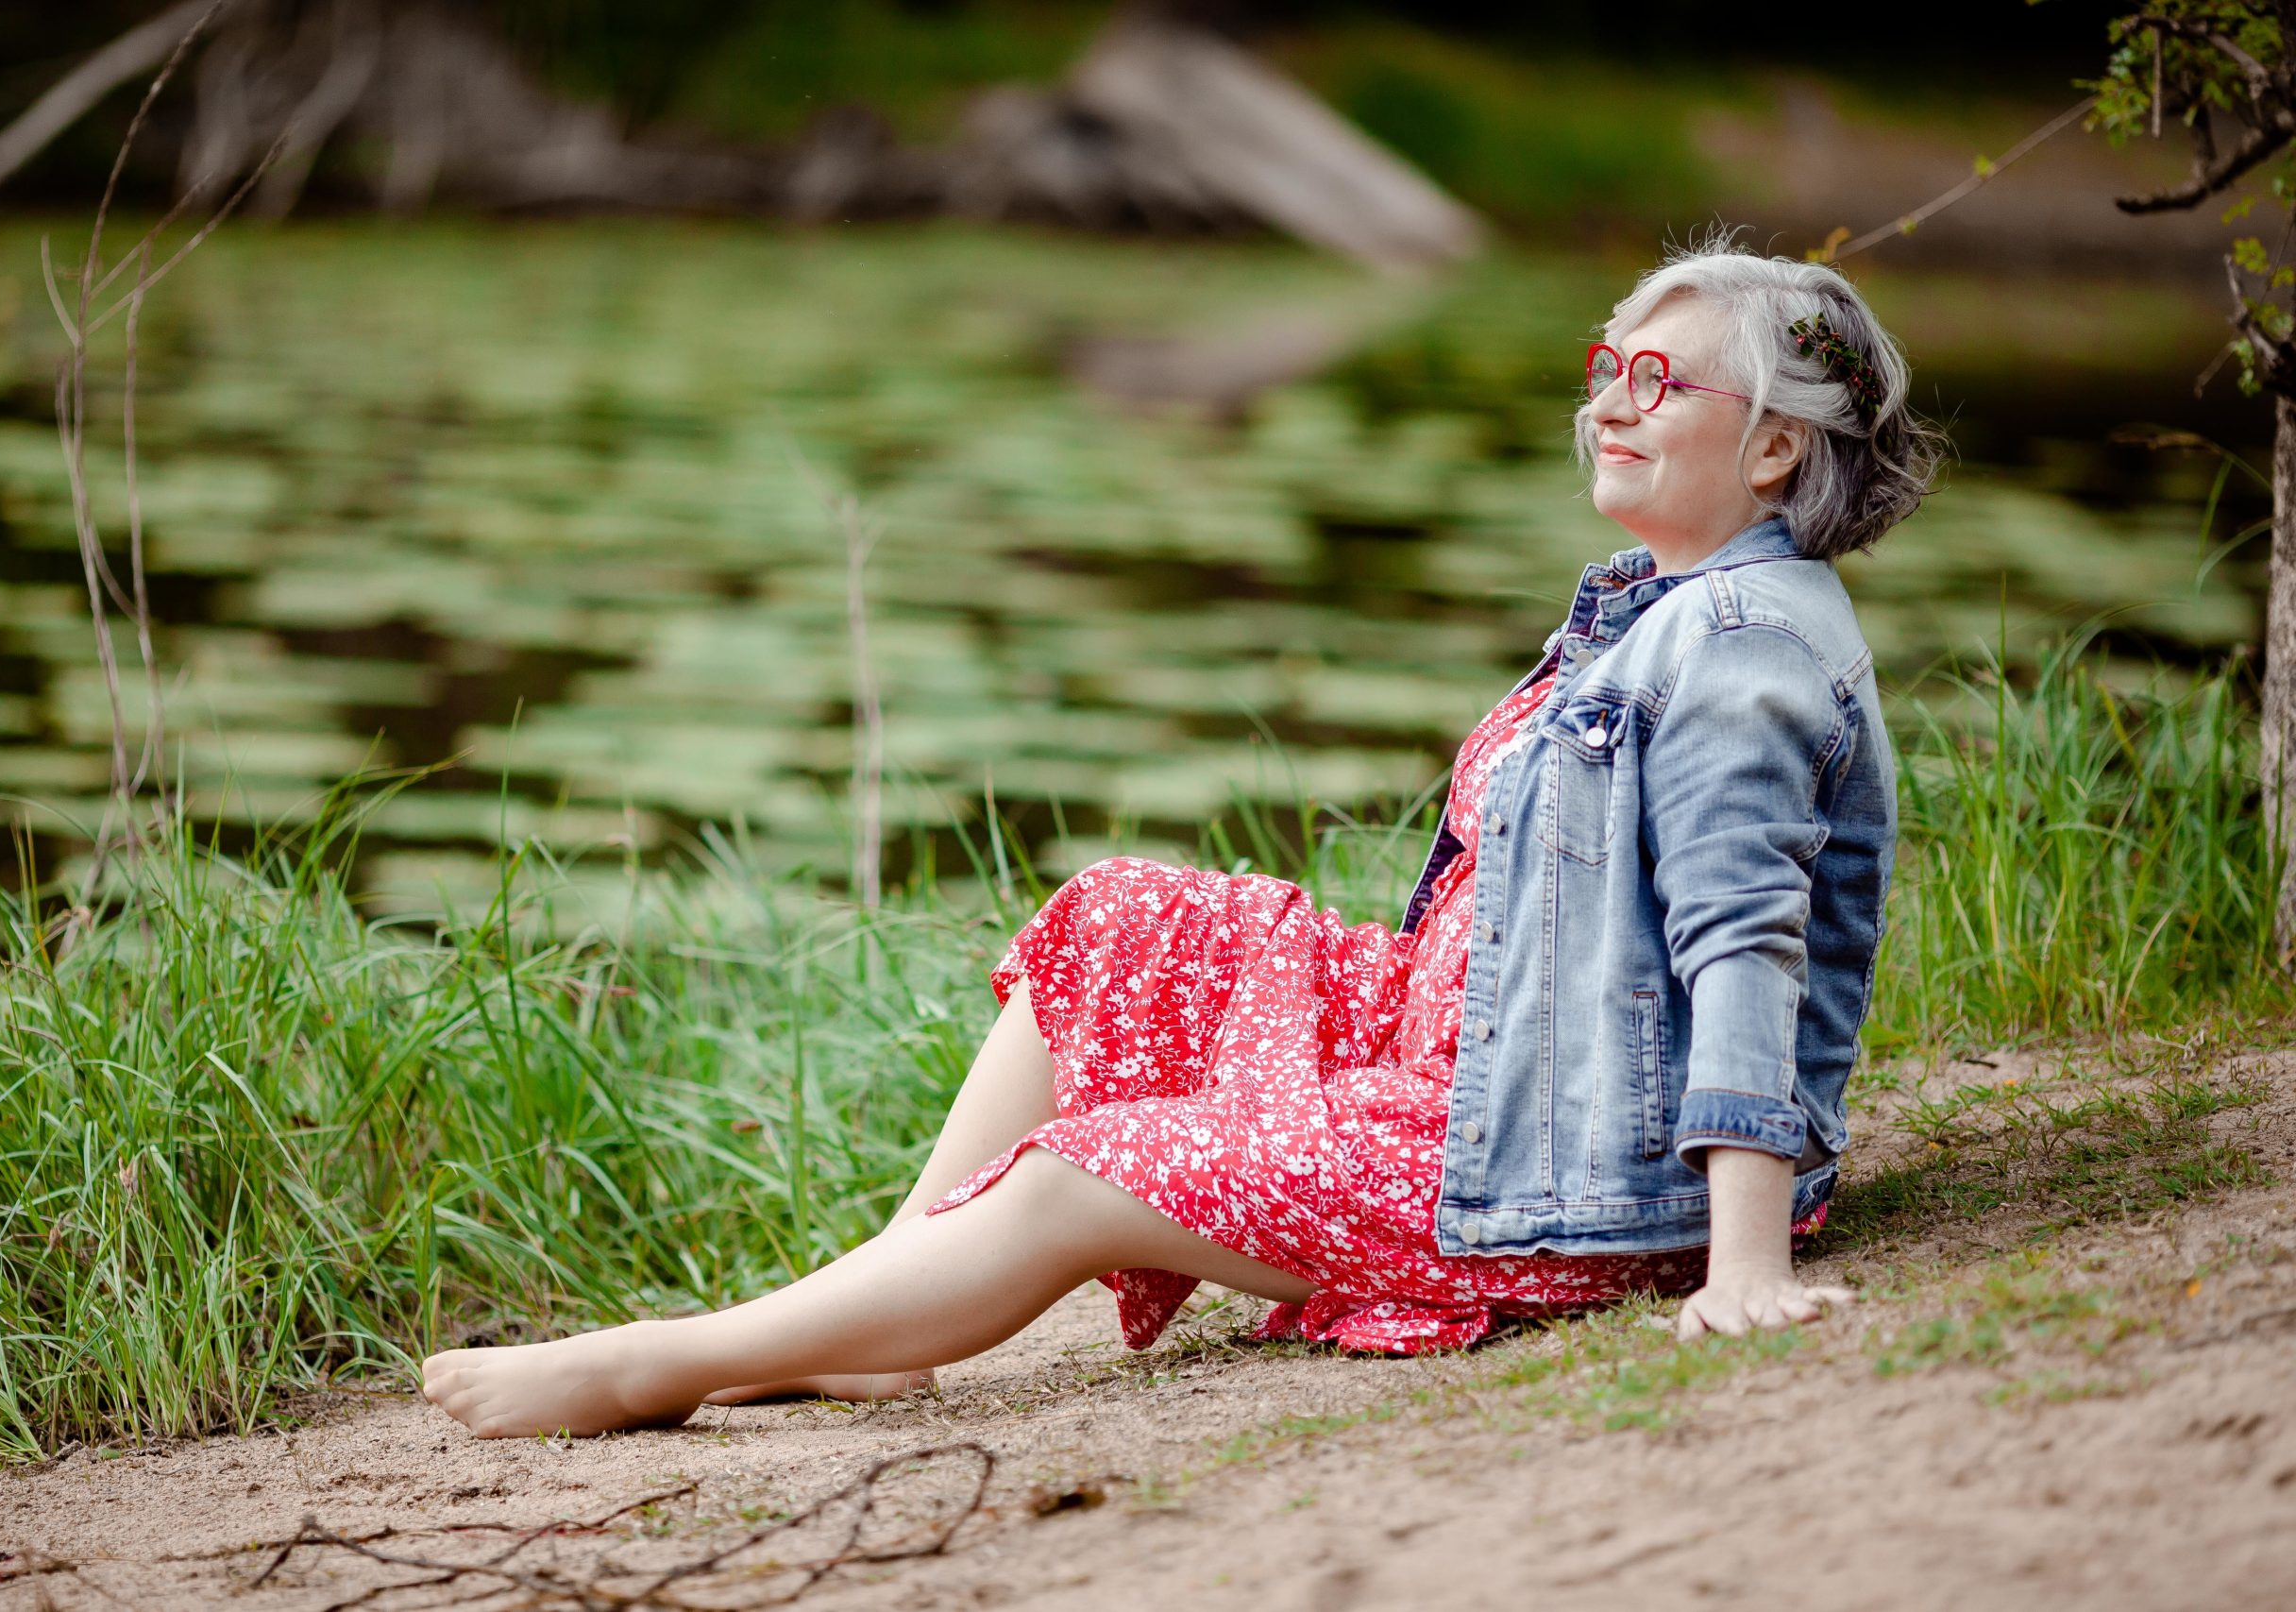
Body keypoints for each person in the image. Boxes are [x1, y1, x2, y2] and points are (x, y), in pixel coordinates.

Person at [423, 229, 1941, 1440]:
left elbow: (1747, 942)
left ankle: (665, 1365)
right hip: (1487, 1058)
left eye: (1659, 380)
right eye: (1608, 365)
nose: (1610, 399)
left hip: (1557, 1165)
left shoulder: (1737, 649)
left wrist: (1745, 1265)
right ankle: (875, 1325)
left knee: (1088, 1169)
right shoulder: (1659, 603)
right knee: (1121, 917)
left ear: (1769, 454)